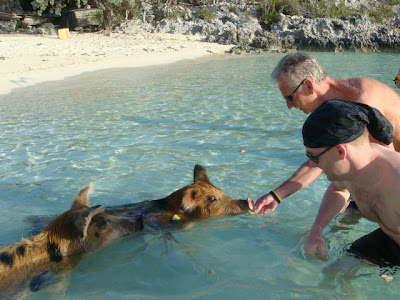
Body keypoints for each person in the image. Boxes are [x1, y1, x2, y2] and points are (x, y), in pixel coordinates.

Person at [251, 52, 400, 214]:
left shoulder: (361, 104)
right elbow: (320, 159)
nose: (289, 106)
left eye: (290, 97)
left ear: (308, 85)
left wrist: (348, 191)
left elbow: (384, 169)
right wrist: (277, 195)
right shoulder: (331, 110)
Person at [302, 99, 400, 265]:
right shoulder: (350, 172)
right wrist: (316, 231)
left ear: (341, 151)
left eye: (313, 157)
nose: (312, 165)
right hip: (390, 240)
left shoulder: (396, 182)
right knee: (334, 274)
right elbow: (337, 190)